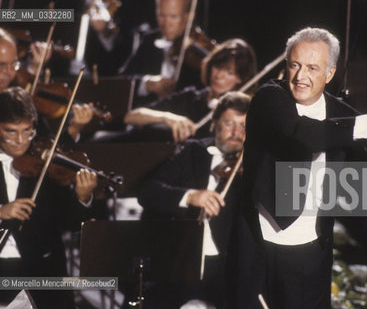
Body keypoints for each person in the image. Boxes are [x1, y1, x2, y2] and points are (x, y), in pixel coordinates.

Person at [242, 27, 367, 309]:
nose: (301, 77)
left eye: (312, 68)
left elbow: (364, 190)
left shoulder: (344, 118)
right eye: (295, 65)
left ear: (330, 73)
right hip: (257, 245)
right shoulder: (268, 99)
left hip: (310, 251)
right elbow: (303, 134)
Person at [137, 91, 250, 308]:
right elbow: (148, 191)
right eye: (229, 123)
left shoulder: (253, 165)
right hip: (181, 260)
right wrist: (190, 196)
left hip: (226, 269)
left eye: (244, 126)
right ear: (213, 124)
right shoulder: (193, 151)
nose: (236, 132)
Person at [0, 87, 98, 308]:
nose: (20, 141)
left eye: (28, 131)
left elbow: (71, 223)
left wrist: (84, 197)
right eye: (11, 132)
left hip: (41, 269)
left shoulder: (47, 165)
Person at [93, 38, 257, 143]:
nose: (219, 75)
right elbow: (131, 116)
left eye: (229, 72)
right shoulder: (192, 97)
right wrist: (167, 118)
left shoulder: (239, 114)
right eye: (217, 67)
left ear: (241, 78)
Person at [0, 28, 94, 143]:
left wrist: (74, 129)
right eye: (2, 65)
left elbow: (44, 147)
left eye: (14, 64)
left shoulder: (18, 99)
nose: (10, 73)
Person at [120, 0, 200, 100]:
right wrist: (147, 84)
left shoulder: (197, 48)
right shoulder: (149, 40)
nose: (167, 24)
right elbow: (121, 80)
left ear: (189, 16)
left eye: (174, 17)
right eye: (162, 15)